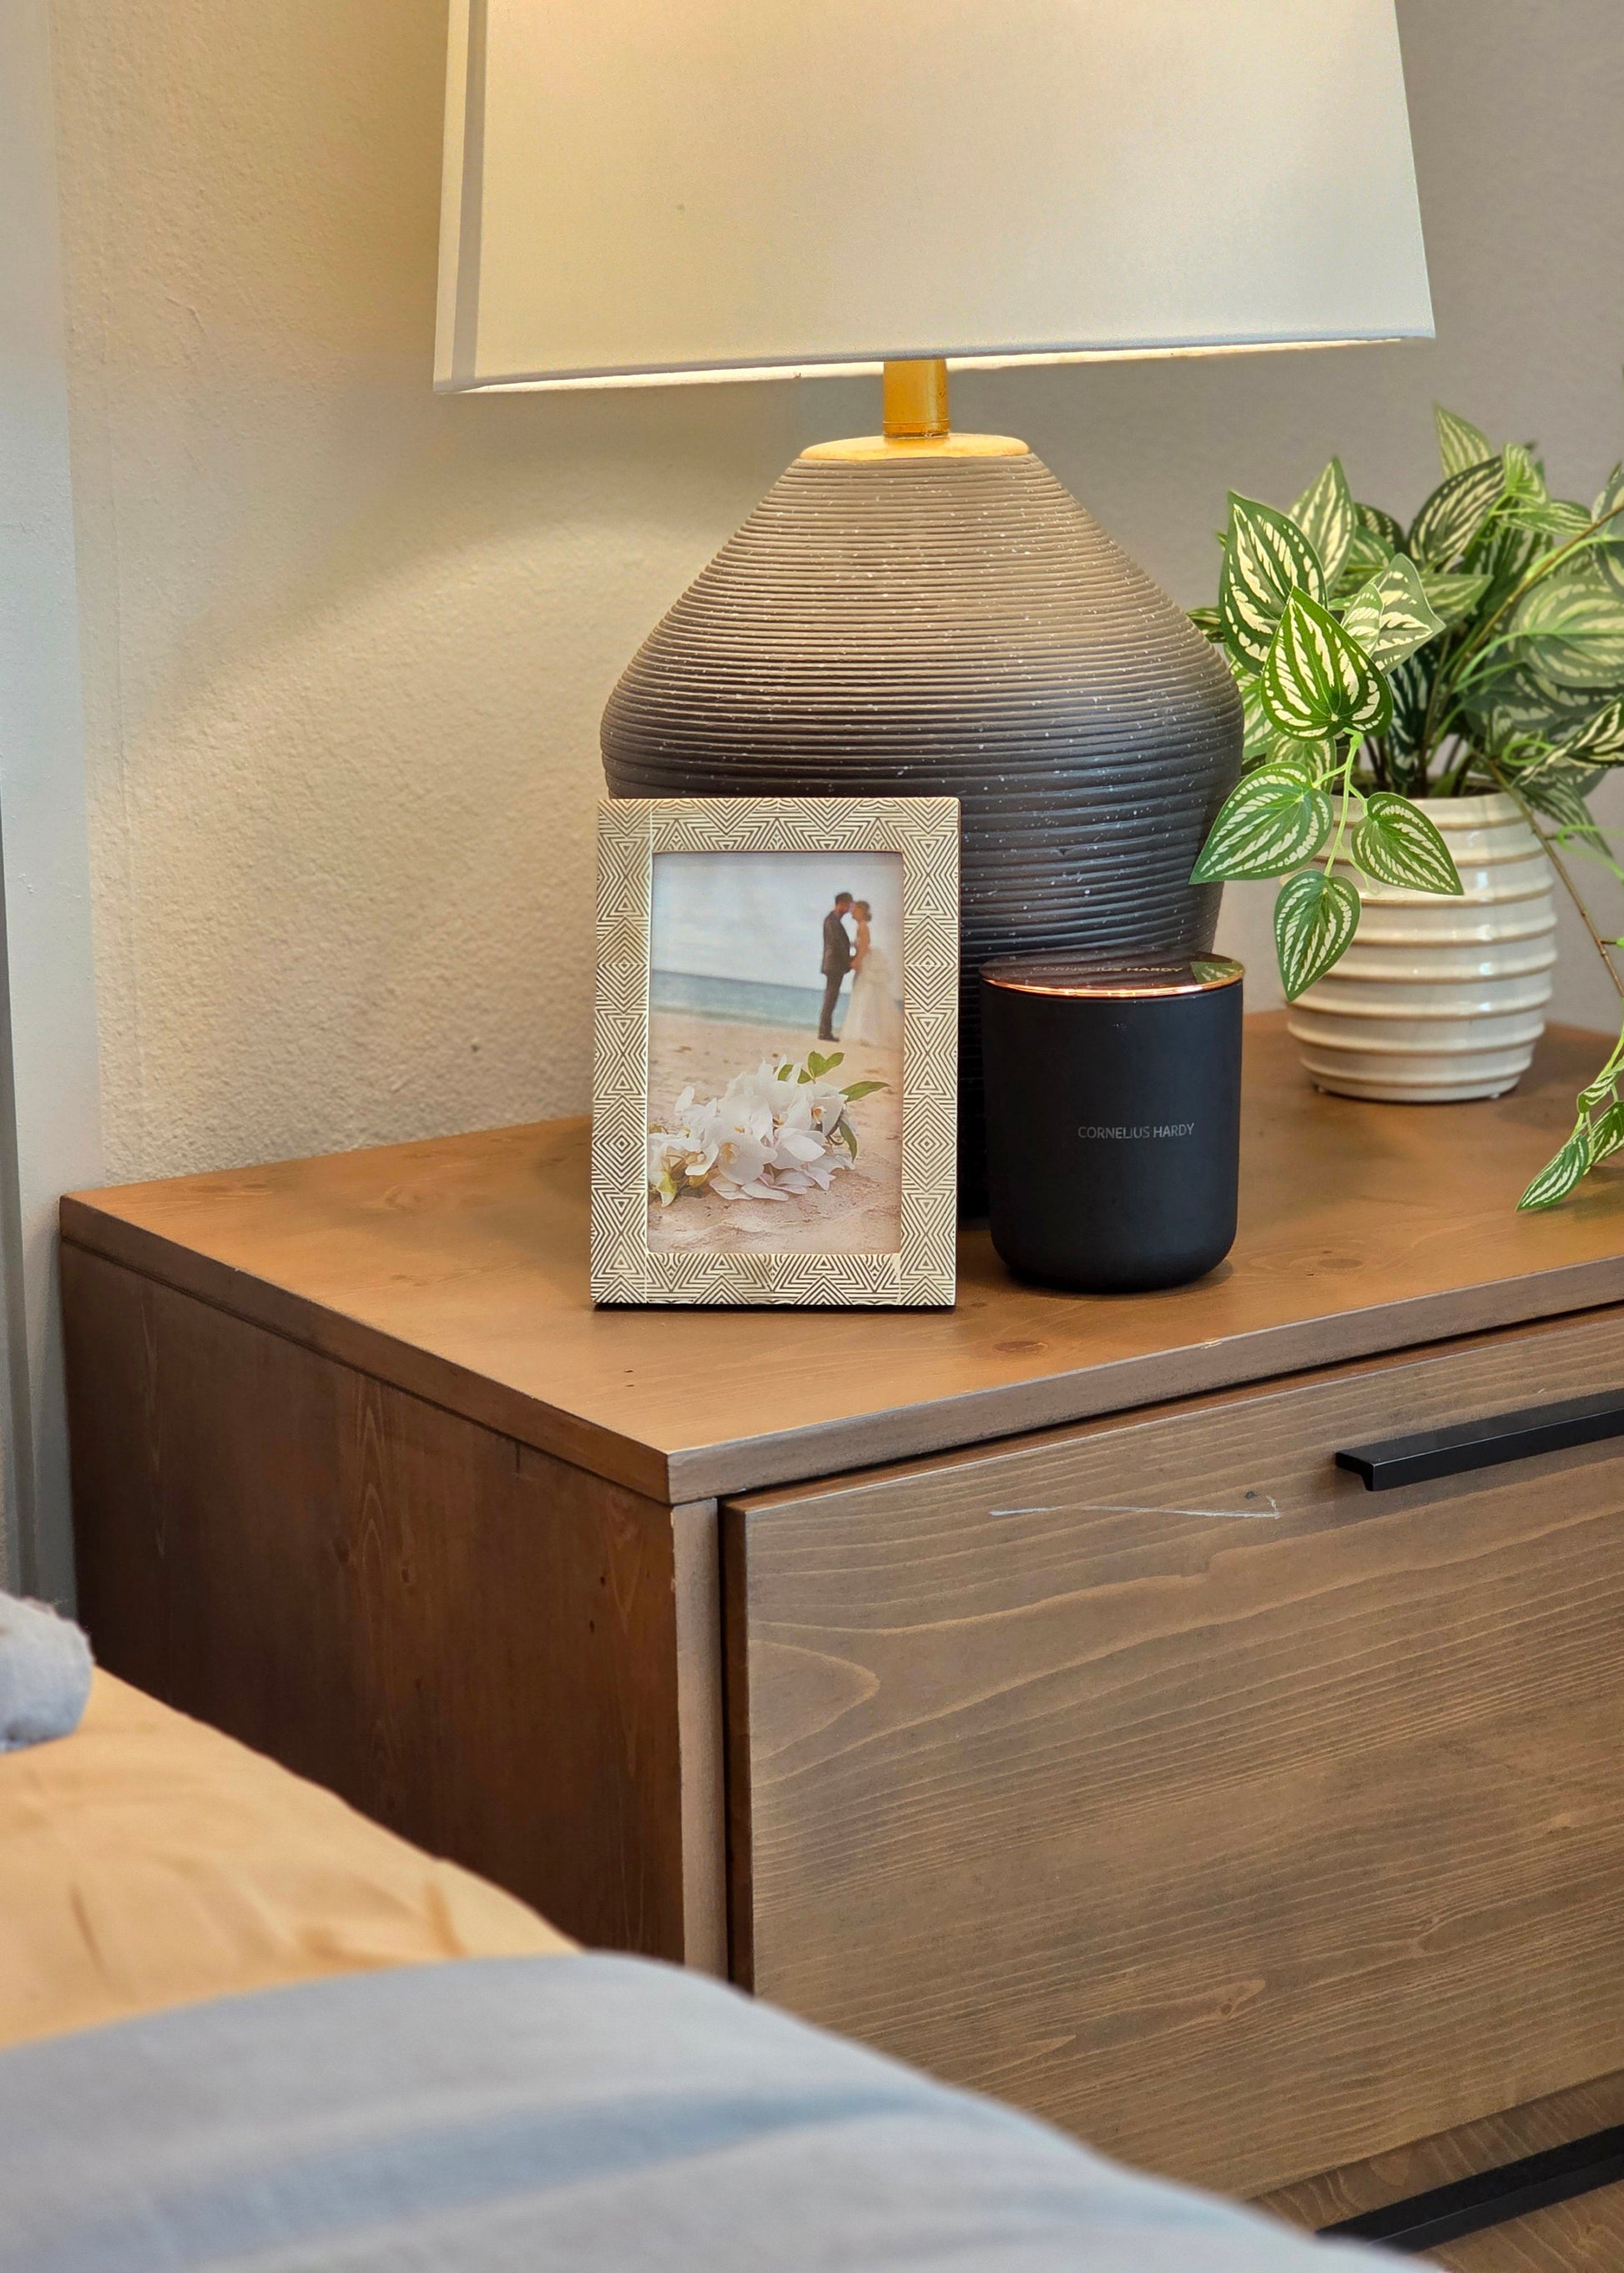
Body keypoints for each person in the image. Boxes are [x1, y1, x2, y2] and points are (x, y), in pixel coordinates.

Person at [840, 899, 904, 1048]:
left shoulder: (863, 927)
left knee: (865, 995)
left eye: (855, 909)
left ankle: (864, 1033)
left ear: (861, 911)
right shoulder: (861, 926)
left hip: (865, 963)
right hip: (864, 961)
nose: (852, 912)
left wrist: (856, 962)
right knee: (863, 994)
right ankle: (861, 1032)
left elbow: (864, 947)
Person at [818, 891, 854, 1041]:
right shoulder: (832, 921)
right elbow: (836, 944)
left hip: (834, 964)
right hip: (834, 964)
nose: (849, 909)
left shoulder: (834, 920)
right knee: (830, 998)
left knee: (831, 998)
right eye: (848, 905)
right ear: (841, 904)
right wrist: (849, 961)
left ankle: (825, 1031)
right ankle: (824, 1032)